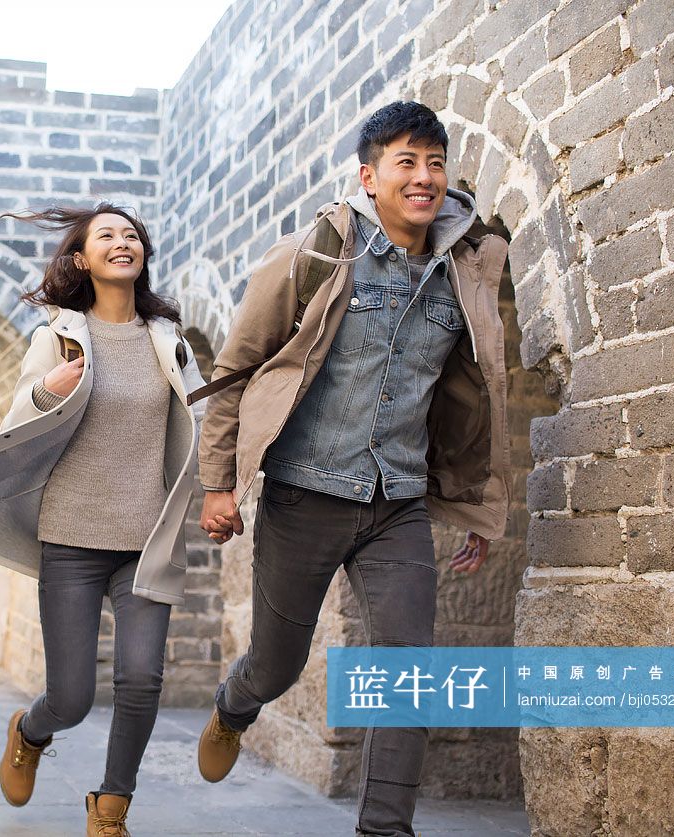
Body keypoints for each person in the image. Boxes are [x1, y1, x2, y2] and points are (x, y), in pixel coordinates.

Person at [194, 101, 511, 837]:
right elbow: (235, 371)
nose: (423, 176)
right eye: (406, 161)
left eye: (434, 161)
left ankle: (383, 828)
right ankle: (234, 705)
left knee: (411, 672)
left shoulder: (465, 269)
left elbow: (474, 396)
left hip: (395, 503)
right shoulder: (311, 254)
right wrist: (218, 483)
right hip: (304, 494)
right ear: (369, 177)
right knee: (276, 664)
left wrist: (474, 506)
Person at [0, 203, 205, 837]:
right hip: (71, 538)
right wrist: (47, 390)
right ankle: (30, 733)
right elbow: (13, 428)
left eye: (132, 235)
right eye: (107, 236)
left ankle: (110, 810)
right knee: (71, 697)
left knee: (142, 680)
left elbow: (200, 421)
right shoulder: (58, 337)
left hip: (147, 537)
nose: (123, 243)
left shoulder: (168, 339)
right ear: (82, 260)